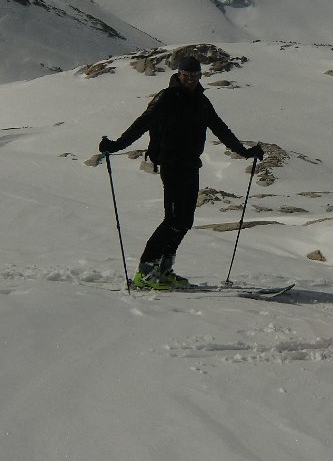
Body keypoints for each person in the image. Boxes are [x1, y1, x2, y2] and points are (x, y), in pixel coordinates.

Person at [99, 55, 263, 289]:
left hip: (191, 165)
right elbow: (142, 123)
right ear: (179, 74)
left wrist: (245, 152)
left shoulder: (202, 101)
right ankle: (144, 273)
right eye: (187, 75)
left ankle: (164, 269)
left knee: (185, 221)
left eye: (195, 75)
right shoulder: (166, 98)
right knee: (173, 220)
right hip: (171, 164)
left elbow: (220, 129)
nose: (191, 80)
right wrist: (117, 145)